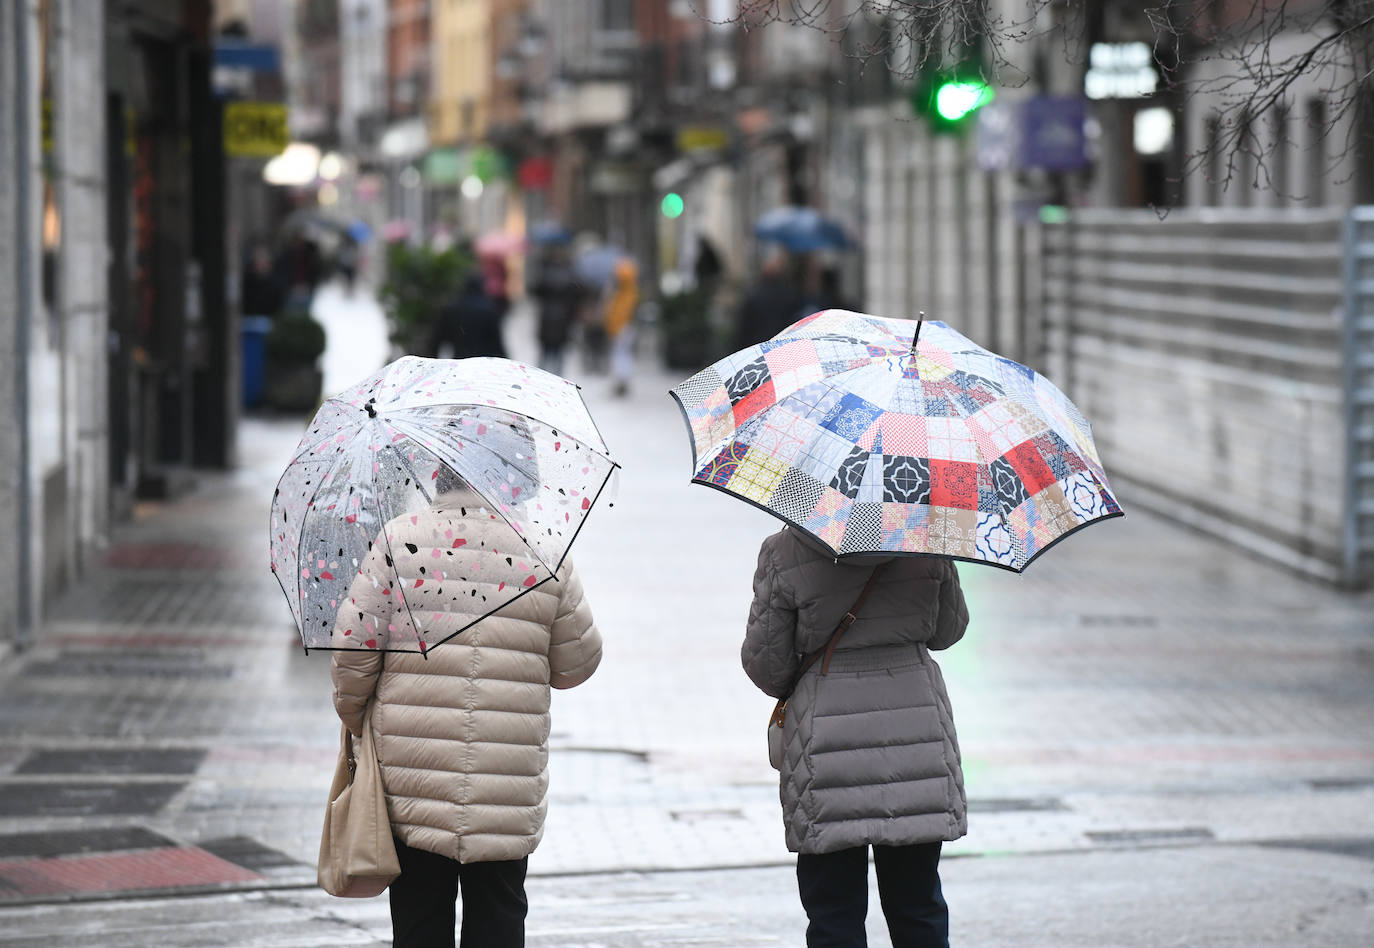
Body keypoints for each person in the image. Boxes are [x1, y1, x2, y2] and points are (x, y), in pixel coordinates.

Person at [330, 438, 602, 948]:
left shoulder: (399, 540)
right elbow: (576, 666)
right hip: (505, 783)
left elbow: (353, 658)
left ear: (440, 470)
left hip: (413, 777)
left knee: (419, 921)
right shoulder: (546, 551)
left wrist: (354, 718)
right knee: (499, 920)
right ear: (523, 477)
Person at [741, 526, 969, 947]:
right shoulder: (927, 537)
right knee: (918, 905)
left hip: (825, 748)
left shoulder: (784, 550)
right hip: (915, 739)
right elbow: (948, 631)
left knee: (834, 911)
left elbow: (766, 666)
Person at [735, 250, 803, 349]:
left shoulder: (755, 294)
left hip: (757, 345)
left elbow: (745, 328)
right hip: (781, 344)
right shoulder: (789, 295)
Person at [431, 273, 507, 360]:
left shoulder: (451, 309)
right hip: (483, 362)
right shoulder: (489, 310)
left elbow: (438, 339)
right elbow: (496, 343)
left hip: (459, 360)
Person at [530, 249, 581, 377]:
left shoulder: (545, 275)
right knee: (558, 355)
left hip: (547, 319)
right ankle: (558, 381)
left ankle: (539, 379)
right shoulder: (570, 276)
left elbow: (535, 291)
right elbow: (576, 297)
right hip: (562, 321)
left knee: (545, 354)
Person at [603, 258, 639, 397]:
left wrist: (614, 328)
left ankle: (622, 381)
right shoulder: (628, 292)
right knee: (622, 355)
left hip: (622, 329)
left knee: (620, 355)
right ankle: (621, 381)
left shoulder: (624, 294)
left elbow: (618, 314)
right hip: (623, 328)